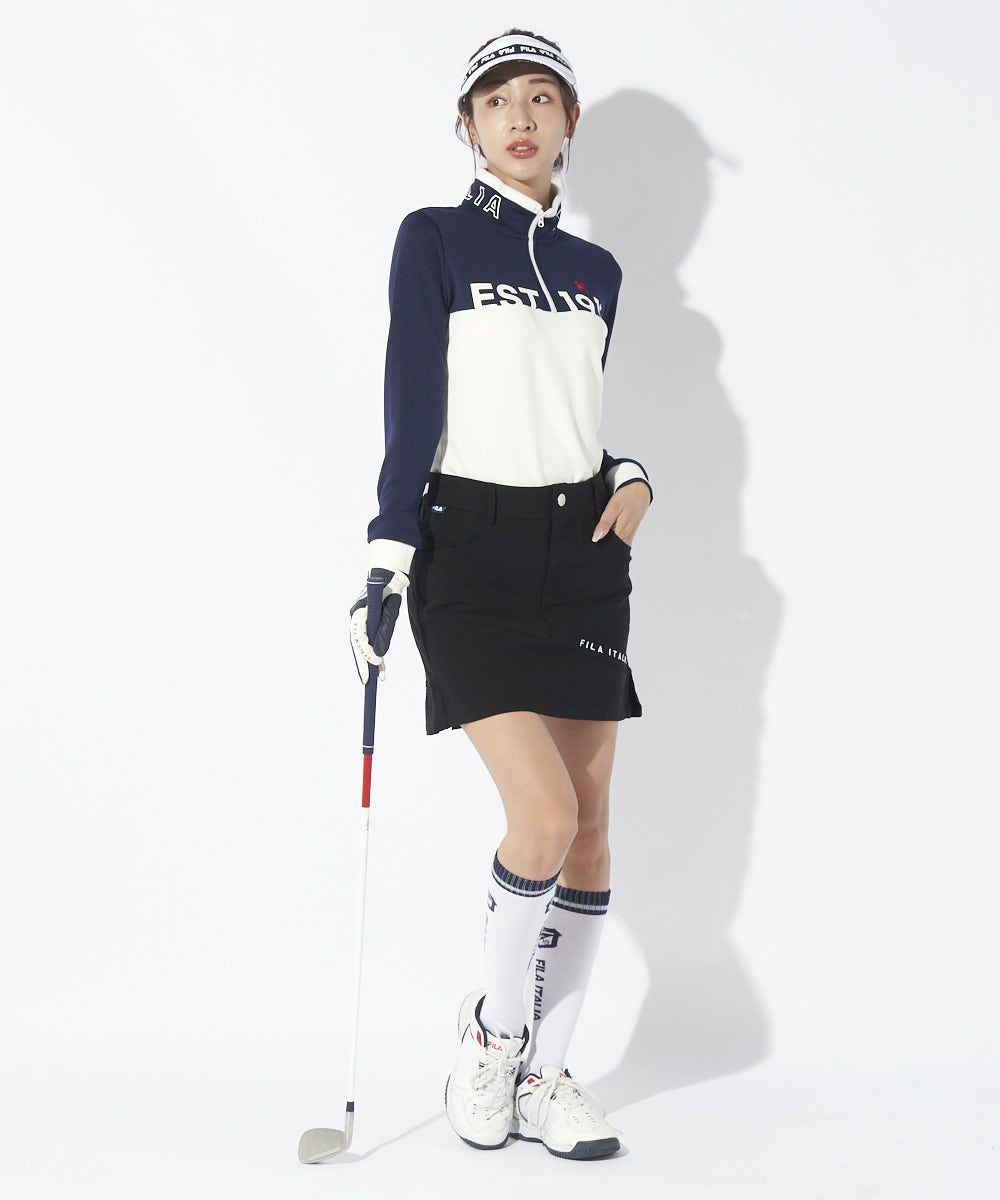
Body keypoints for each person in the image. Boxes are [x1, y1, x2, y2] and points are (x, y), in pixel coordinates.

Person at [348, 29, 653, 1160]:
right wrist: (387, 554)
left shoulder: (597, 273)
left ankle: (547, 1076)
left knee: (591, 838)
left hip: (580, 555)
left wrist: (628, 474)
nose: (519, 119)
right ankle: (492, 1039)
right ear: (466, 126)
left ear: (569, 121)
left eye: (540, 99)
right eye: (494, 102)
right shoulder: (432, 239)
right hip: (467, 551)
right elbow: (414, 400)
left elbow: (561, 415)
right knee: (544, 819)